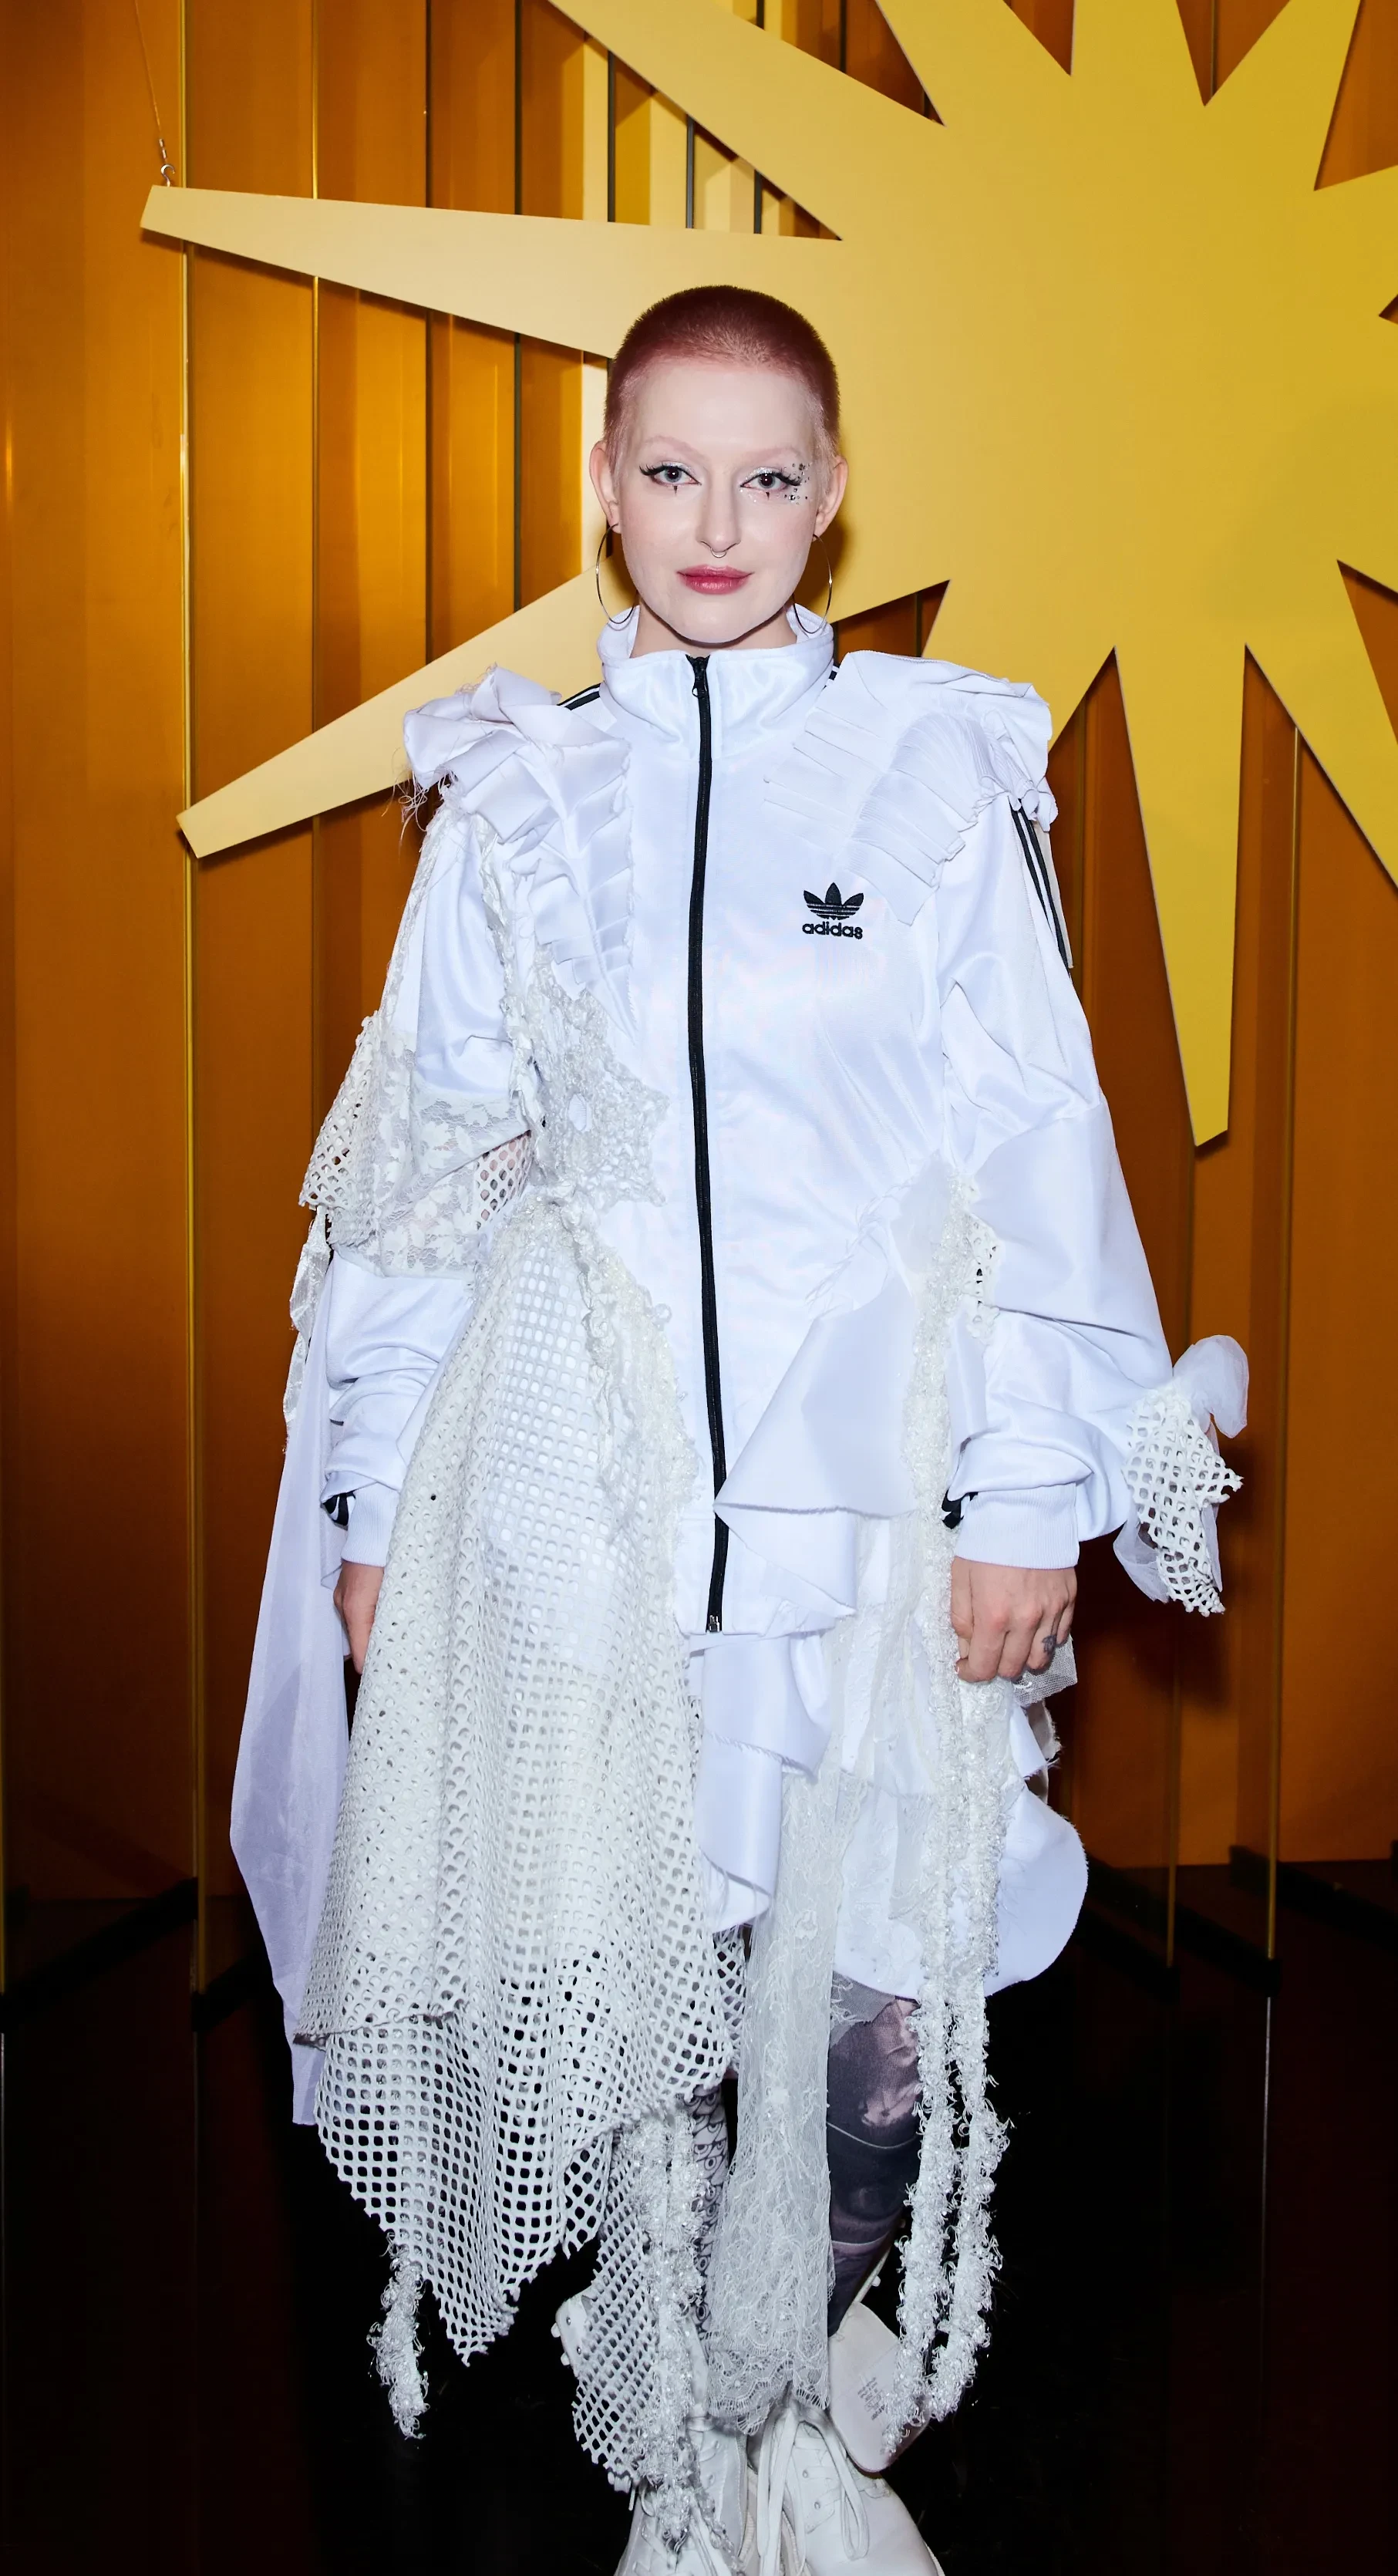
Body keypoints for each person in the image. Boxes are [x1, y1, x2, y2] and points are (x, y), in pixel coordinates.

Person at [234, 286, 1245, 2575]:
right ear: (605, 486)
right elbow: (427, 1175)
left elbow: (1032, 1143)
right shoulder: (518, 797)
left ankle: (781, 2379)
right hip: (566, 1500)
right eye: (672, 471)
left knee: (883, 1963)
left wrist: (1028, 1492)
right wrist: (375, 1506)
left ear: (833, 493)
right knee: (643, 1960)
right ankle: (702, 2443)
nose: (718, 520)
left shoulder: (925, 771)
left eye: (767, 475)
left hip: (868, 1509)